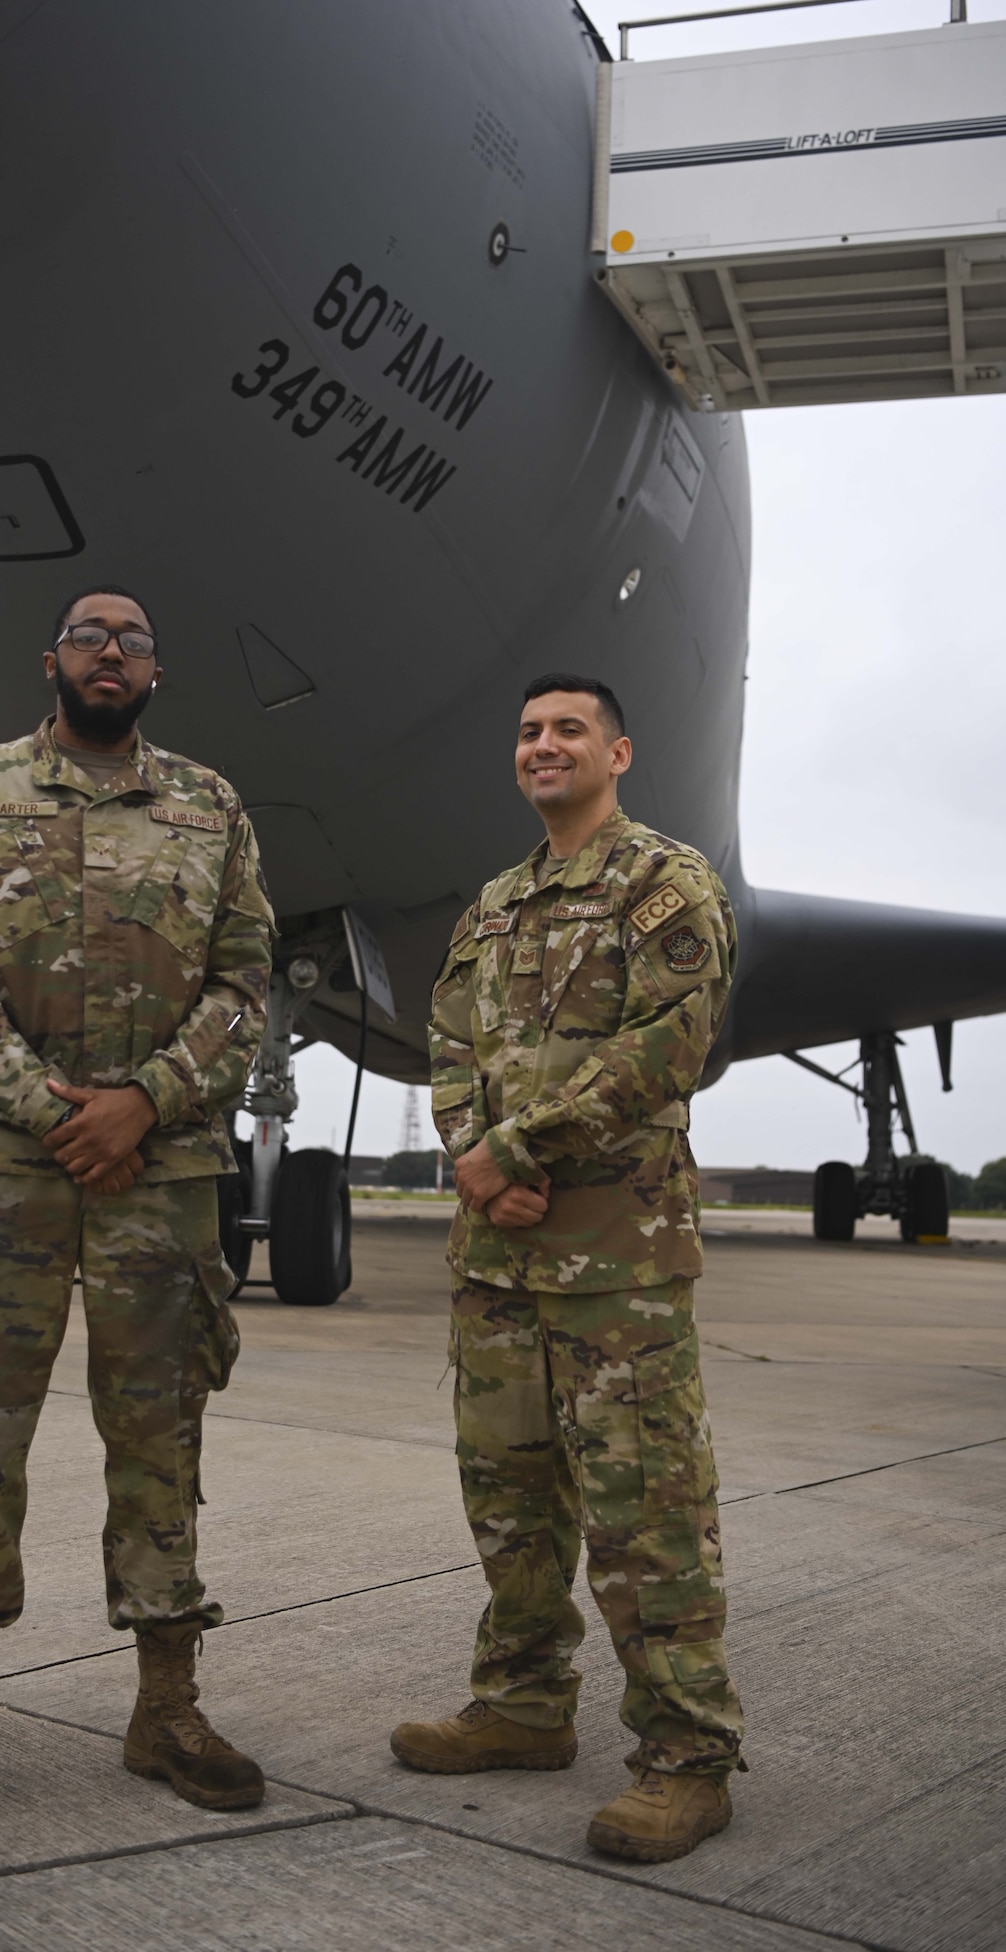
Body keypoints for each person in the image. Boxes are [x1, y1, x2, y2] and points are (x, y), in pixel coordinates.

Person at [0, 586, 275, 1821]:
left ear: (155, 670)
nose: (113, 651)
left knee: (160, 1441)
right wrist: (45, 1104)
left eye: (136, 638)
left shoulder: (209, 806)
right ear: (50, 657)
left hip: (156, 1176)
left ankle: (165, 1704)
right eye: (92, 635)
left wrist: (145, 1101)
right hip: (6, 1170)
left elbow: (244, 976)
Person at [390, 674, 745, 1863]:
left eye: (568, 730)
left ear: (619, 752)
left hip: (615, 1262)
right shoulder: (490, 906)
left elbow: (668, 1046)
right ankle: (524, 1705)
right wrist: (467, 1149)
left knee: (647, 1514)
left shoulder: (663, 882)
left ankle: (686, 1756)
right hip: (496, 1257)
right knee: (510, 1500)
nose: (543, 745)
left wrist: (513, 1144)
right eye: (530, 731)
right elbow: (444, 1041)